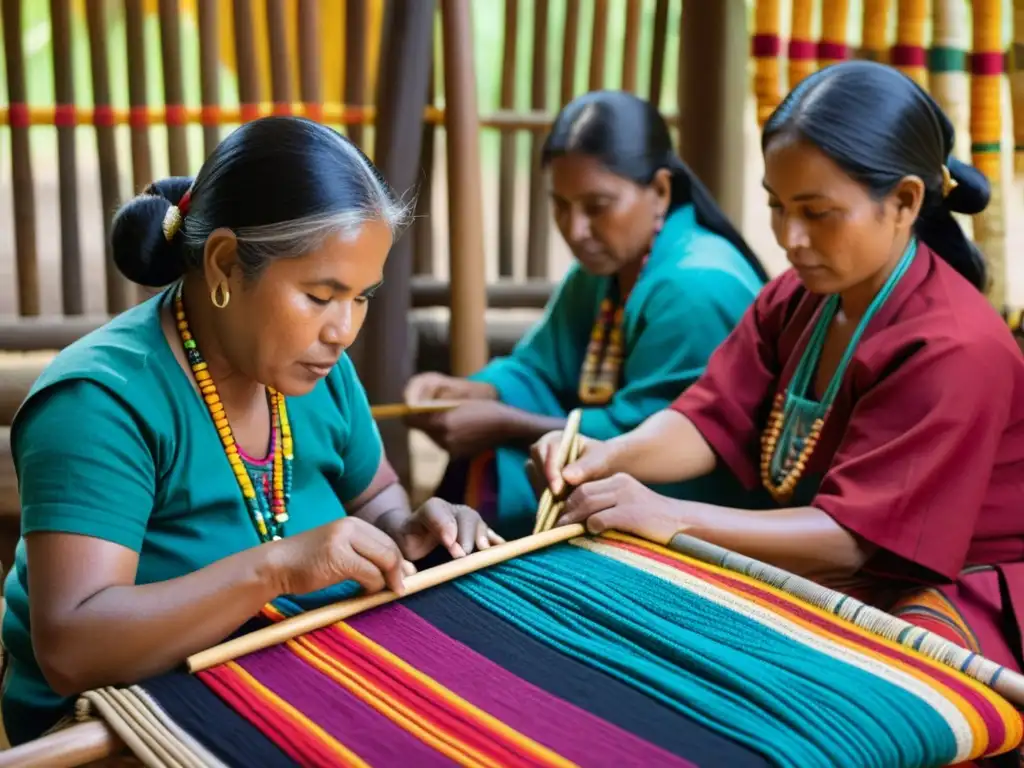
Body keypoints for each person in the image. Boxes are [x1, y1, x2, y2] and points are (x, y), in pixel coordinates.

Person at [532, 60, 1024, 725]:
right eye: (777, 205)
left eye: (817, 213)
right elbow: (708, 418)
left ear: (905, 202)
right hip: (847, 566)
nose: (789, 239)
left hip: (957, 590)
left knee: (863, 708)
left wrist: (671, 516)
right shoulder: (801, 295)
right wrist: (605, 455)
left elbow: (858, 540)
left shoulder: (955, 346)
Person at [0, 116, 501, 745]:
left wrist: (410, 532)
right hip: (122, 721)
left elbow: (375, 500)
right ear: (226, 263)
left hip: (294, 670)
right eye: (321, 296)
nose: (344, 329)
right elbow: (73, 650)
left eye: (362, 297)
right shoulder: (99, 404)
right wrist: (278, 570)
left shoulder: (320, 373)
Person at [405, 90, 769, 540]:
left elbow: (657, 441)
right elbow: (540, 368)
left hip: (690, 506)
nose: (575, 231)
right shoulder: (606, 268)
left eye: (597, 207)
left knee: (495, 465)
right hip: (612, 467)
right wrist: (476, 390)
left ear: (659, 191)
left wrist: (501, 422)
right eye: (560, 204)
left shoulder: (696, 285)